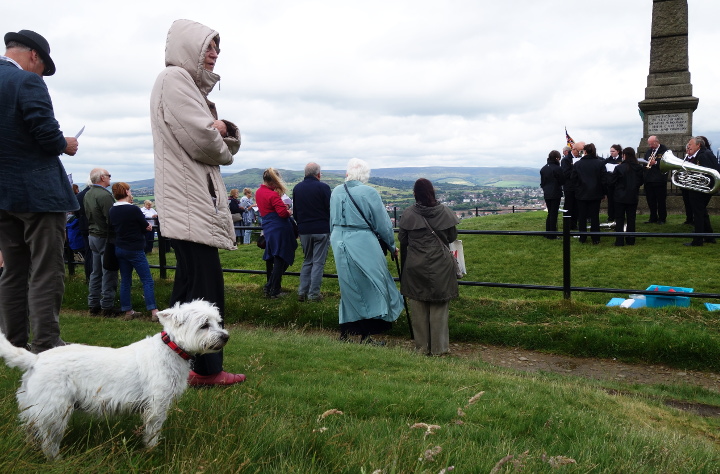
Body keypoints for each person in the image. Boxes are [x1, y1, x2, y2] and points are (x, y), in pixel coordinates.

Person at [150, 19, 244, 386]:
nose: (215, 55)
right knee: (206, 288)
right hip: (188, 200)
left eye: (217, 49)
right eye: (208, 47)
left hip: (185, 200)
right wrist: (220, 131)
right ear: (189, 48)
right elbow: (206, 142)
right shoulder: (175, 80)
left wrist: (223, 131)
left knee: (188, 290)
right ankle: (206, 369)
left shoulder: (179, 84)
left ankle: (172, 362)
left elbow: (213, 138)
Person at [0, 29, 79, 353]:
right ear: (34, 55)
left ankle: (13, 343)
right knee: (47, 270)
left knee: (13, 271)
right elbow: (47, 134)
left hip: (3, 195)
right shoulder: (27, 82)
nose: (41, 74)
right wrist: (66, 144)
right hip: (38, 195)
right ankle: (46, 343)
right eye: (43, 68)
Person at [330, 158, 403, 343]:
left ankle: (347, 332)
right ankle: (366, 334)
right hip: (362, 241)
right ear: (365, 175)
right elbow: (383, 224)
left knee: (348, 286)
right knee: (373, 284)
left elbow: (331, 219)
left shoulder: (336, 191)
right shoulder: (369, 192)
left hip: (338, 239)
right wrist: (392, 246)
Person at [399, 178, 459, 356]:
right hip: (440, 264)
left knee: (418, 307)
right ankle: (439, 349)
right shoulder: (445, 212)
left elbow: (403, 239)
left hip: (415, 264)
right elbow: (451, 237)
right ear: (432, 192)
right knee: (439, 307)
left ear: (415, 193)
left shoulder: (408, 214)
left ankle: (422, 348)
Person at [109, 183, 158, 320]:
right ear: (126, 191)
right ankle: (153, 310)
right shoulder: (133, 210)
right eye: (129, 190)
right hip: (135, 248)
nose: (130, 192)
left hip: (120, 247)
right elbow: (145, 227)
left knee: (125, 280)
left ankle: (127, 311)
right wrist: (147, 227)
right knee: (147, 280)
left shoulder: (112, 210)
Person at [256, 168, 298, 298]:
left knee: (277, 257)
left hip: (269, 227)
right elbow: (282, 213)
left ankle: (270, 286)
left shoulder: (258, 192)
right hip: (280, 228)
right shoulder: (272, 195)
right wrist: (288, 212)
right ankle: (273, 289)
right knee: (281, 258)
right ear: (273, 181)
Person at [293, 162, 332, 302]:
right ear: (318, 174)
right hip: (321, 229)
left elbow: (295, 212)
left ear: (305, 173)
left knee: (308, 261)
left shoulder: (297, 188)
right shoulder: (324, 187)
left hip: (304, 230)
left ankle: (302, 292)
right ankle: (313, 295)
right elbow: (330, 209)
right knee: (318, 263)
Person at [85, 168, 120, 316]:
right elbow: (111, 218)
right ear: (102, 178)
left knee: (96, 272)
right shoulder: (105, 195)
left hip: (92, 235)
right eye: (108, 176)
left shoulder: (88, 193)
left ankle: (93, 304)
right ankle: (107, 306)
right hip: (105, 237)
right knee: (109, 272)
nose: (110, 178)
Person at [683, 137, 718, 247]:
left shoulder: (703, 155)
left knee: (697, 213)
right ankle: (709, 237)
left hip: (701, 188)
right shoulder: (702, 153)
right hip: (701, 188)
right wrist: (688, 156)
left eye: (690, 144)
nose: (688, 146)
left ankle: (697, 241)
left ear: (698, 145)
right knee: (702, 212)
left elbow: (707, 172)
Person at [571, 143, 605, 244]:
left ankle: (582, 237)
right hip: (596, 193)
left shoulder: (577, 164)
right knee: (595, 217)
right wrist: (604, 193)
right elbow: (603, 180)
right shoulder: (600, 163)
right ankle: (596, 238)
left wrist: (577, 189)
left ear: (584, 152)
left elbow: (573, 179)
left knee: (582, 217)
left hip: (581, 194)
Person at [609, 148, 644, 246]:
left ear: (624, 155)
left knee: (619, 219)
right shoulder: (638, 168)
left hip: (620, 196)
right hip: (632, 195)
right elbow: (641, 181)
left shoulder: (619, 168)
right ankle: (631, 239)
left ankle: (619, 241)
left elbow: (611, 182)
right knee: (631, 218)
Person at [642, 135, 668, 224]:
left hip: (659, 180)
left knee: (660, 201)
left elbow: (666, 163)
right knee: (651, 200)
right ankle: (653, 218)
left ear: (657, 142)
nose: (650, 146)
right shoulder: (649, 151)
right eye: (649, 144)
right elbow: (645, 162)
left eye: (652, 144)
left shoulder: (665, 151)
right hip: (649, 180)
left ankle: (662, 218)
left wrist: (655, 162)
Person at [539, 150, 564, 239]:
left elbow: (542, 183)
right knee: (554, 214)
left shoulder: (543, 168)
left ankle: (548, 232)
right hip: (556, 193)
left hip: (547, 193)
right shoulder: (558, 168)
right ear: (557, 158)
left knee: (550, 213)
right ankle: (553, 234)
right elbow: (562, 181)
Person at [561, 143, 582, 230]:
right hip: (569, 187)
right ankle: (568, 224)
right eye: (579, 151)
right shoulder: (566, 160)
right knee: (569, 206)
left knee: (576, 207)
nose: (580, 153)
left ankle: (574, 224)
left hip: (578, 186)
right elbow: (566, 173)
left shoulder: (579, 159)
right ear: (574, 150)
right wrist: (575, 169)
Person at [603, 144, 623, 224]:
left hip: (619, 184)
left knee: (619, 201)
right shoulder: (607, 160)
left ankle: (619, 216)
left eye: (613, 151)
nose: (611, 153)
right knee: (610, 201)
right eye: (610, 151)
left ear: (618, 151)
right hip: (610, 184)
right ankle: (611, 216)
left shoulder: (621, 160)